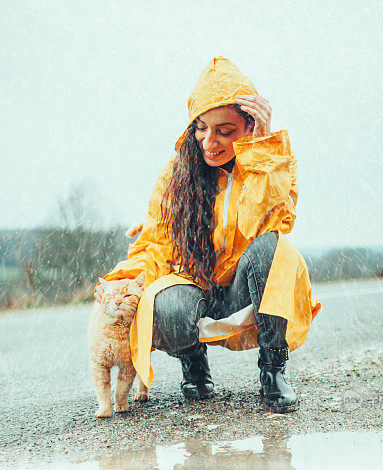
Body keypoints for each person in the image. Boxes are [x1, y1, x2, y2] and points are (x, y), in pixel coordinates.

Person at [95, 56, 321, 412]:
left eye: (225, 131)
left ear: (248, 126)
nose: (209, 141)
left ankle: (273, 371)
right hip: (194, 284)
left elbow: (274, 219)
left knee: (275, 249)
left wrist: (260, 151)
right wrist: (124, 282)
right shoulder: (177, 173)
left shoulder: (270, 161)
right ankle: (194, 366)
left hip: (243, 290)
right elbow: (156, 239)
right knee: (163, 301)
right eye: (200, 127)